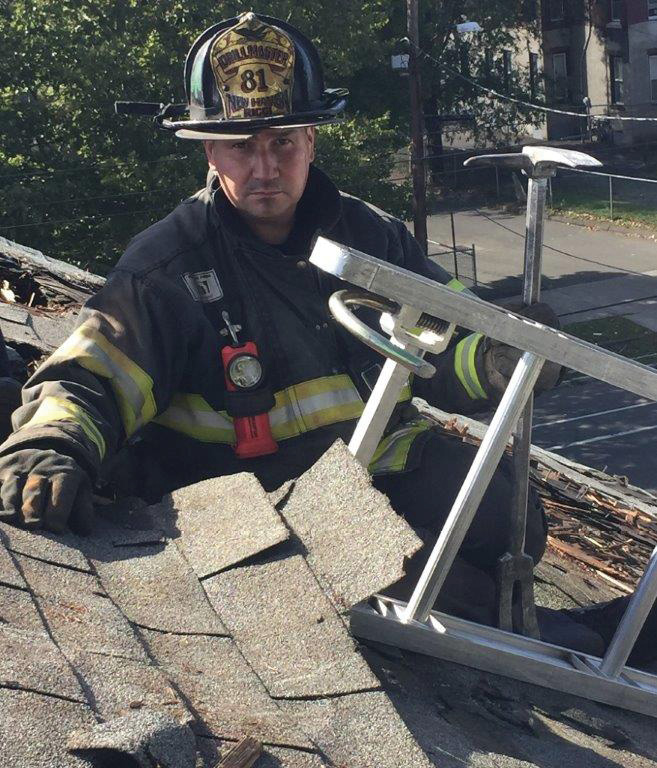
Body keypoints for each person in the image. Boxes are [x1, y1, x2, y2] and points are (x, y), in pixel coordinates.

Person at [0, 12, 649, 660]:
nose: (263, 167)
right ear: (208, 150)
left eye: (282, 142)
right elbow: (90, 373)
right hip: (258, 503)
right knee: (439, 591)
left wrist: (502, 354)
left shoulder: (372, 239)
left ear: (312, 140)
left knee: (508, 521)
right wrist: (50, 448)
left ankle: (536, 621)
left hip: (371, 468)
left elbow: (448, 337)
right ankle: (562, 642)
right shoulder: (170, 269)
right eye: (240, 145)